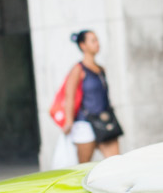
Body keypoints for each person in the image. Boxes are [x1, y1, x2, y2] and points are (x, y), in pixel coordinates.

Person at [49, 30, 123, 164]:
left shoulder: (101, 69)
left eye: (97, 40)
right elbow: (69, 97)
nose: (97, 44)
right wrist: (69, 122)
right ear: (83, 45)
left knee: (117, 164)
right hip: (85, 124)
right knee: (83, 167)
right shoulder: (78, 69)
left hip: (105, 122)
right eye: (93, 41)